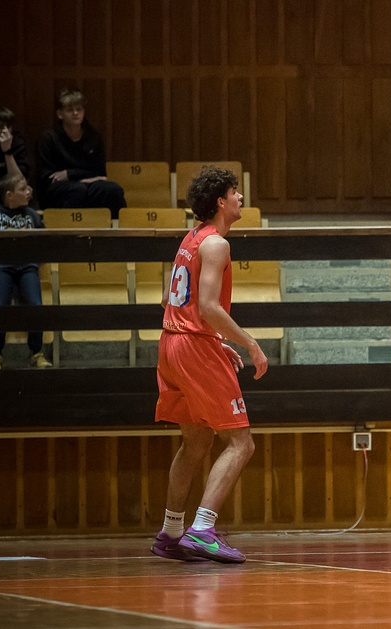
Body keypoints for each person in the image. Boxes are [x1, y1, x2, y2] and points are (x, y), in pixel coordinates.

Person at [151, 166, 268, 564]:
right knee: (241, 442)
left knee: (197, 440)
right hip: (193, 348)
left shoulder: (191, 238)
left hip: (171, 344)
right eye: (235, 193)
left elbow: (169, 301)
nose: (240, 198)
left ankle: (171, 531)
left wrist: (214, 340)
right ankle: (202, 529)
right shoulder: (217, 244)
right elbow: (208, 307)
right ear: (221, 201)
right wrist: (250, 343)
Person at [0, 176, 51, 371]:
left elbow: (46, 242)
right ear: (9, 195)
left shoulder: (32, 215)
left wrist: (35, 260)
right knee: (0, 306)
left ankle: (36, 353)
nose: (28, 192)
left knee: (36, 305)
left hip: (27, 267)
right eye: (23, 189)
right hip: (2, 267)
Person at [35, 89, 127, 216]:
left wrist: (70, 174)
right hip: (58, 189)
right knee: (77, 190)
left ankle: (119, 227)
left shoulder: (93, 137)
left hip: (88, 184)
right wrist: (80, 180)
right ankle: (69, 228)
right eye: (69, 110)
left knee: (113, 189)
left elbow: (100, 173)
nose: (75, 113)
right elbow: (47, 178)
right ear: (60, 114)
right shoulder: (48, 138)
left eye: (79, 109)